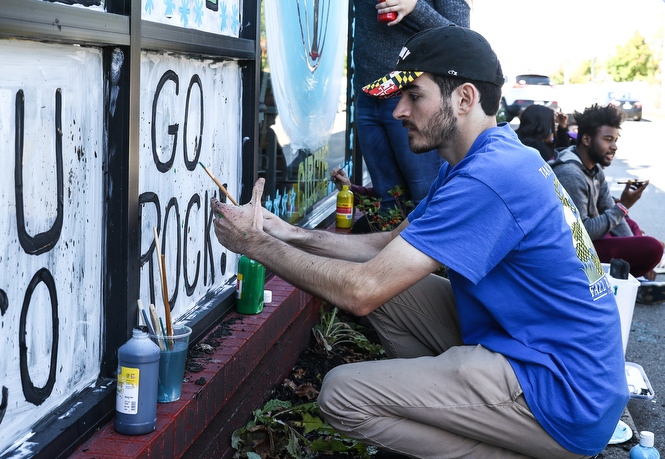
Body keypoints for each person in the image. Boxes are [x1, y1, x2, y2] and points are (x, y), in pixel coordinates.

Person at [212, 26, 628, 458]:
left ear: (464, 98)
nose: (398, 111)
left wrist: (256, 246)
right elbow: (391, 245)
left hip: (563, 394)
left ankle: (506, 446)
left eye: (414, 95)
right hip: (542, 353)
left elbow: (361, 293)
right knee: (398, 289)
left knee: (341, 395)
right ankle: (457, 410)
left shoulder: (491, 178)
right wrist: (286, 231)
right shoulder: (485, 156)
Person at [352, 0, 469, 212]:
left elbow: (462, 40)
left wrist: (415, 7)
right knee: (388, 200)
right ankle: (391, 245)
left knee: (425, 198)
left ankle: (424, 246)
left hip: (413, 95)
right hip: (367, 94)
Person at [550, 104, 664, 299]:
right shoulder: (570, 172)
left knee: (630, 226)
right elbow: (582, 232)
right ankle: (628, 282)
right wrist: (624, 206)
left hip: (593, 239)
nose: (614, 146)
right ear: (586, 139)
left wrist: (632, 243)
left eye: (615, 140)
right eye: (608, 139)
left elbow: (609, 209)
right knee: (653, 247)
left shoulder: (595, 168)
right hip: (571, 252)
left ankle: (633, 279)